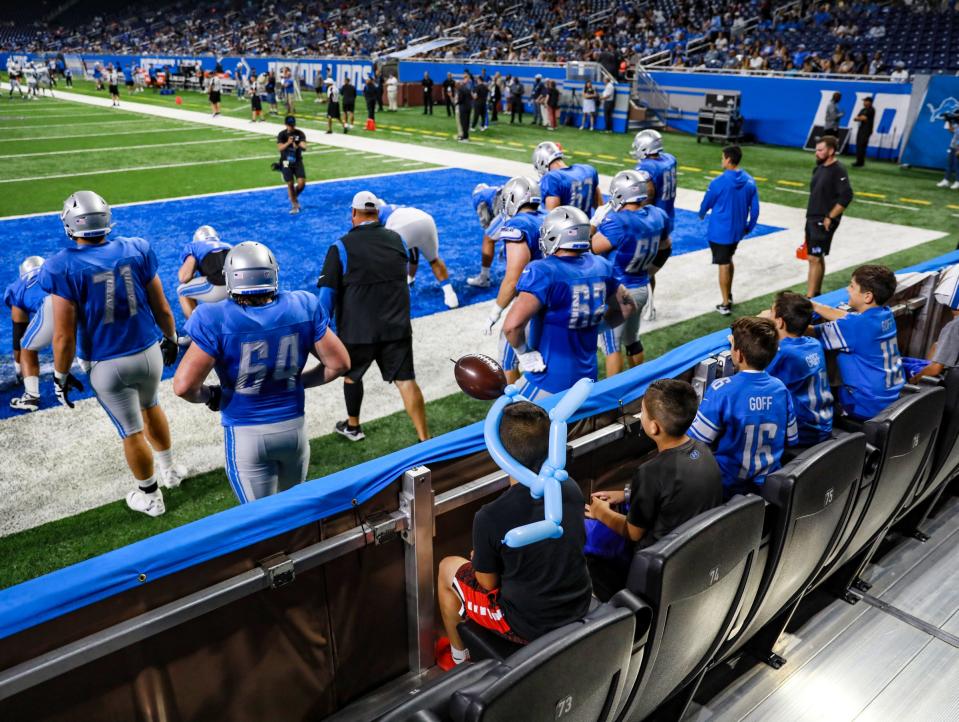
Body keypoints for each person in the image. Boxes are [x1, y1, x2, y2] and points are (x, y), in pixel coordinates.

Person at [40, 191, 185, 516]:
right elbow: (161, 306)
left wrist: (60, 377)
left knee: (131, 430)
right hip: (148, 351)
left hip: (106, 361)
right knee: (151, 406)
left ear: (70, 225)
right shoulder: (136, 249)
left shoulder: (62, 266)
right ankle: (170, 470)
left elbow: (64, 336)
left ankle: (150, 496)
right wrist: (171, 337)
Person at [174, 242, 350, 502]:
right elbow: (340, 364)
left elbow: (183, 387)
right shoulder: (303, 304)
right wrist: (298, 381)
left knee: (261, 524)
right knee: (293, 512)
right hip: (293, 430)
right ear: (272, 273)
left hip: (246, 433)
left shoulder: (213, 316)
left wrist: (212, 396)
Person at [436, 400, 592, 667]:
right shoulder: (571, 488)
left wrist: (479, 561)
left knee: (446, 568)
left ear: (501, 453)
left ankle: (459, 660)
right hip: (578, 603)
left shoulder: (490, 516)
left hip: (526, 624)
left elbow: (487, 584)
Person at [585, 379, 723, 598]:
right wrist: (626, 494)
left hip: (655, 563)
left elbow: (632, 532)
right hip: (693, 550)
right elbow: (676, 491)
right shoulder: (703, 450)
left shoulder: (650, 472)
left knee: (589, 536)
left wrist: (600, 512)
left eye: (642, 412)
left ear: (653, 426)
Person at [317, 191, 429, 442]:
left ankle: (353, 426)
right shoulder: (398, 241)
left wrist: (321, 330)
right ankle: (425, 438)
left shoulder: (340, 247)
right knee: (406, 381)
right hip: (396, 327)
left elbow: (326, 297)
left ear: (354, 214)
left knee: (351, 375)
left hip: (358, 330)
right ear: (377, 213)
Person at [502, 206, 635, 401]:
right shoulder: (601, 265)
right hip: (587, 378)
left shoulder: (543, 271)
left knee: (504, 419)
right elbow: (627, 306)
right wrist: (596, 326)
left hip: (548, 379)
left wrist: (525, 353)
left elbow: (512, 327)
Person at [688, 317, 799, 497]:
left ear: (738, 355)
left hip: (729, 489)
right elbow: (792, 438)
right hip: (768, 487)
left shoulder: (722, 390)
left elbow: (695, 443)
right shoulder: (780, 388)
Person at [590, 170, 672, 375]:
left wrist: (594, 223)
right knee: (632, 340)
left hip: (618, 291)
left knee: (611, 345)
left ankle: (613, 399)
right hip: (641, 287)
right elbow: (666, 247)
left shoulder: (617, 221)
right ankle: (637, 385)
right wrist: (651, 271)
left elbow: (589, 248)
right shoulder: (657, 214)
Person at [812, 264, 905, 420]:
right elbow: (850, 320)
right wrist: (815, 306)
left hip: (866, 408)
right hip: (892, 398)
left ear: (867, 296)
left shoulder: (855, 327)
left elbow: (806, 331)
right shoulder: (885, 314)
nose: (847, 289)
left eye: (852, 286)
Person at [482, 177, 547, 383]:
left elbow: (514, 276)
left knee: (509, 361)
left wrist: (496, 312)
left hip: (531, 301)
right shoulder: (547, 217)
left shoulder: (517, 224)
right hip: (554, 298)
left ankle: (518, 410)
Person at [762, 292, 834, 446]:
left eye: (771, 313)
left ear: (780, 322)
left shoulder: (782, 353)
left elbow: (753, 375)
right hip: (825, 425)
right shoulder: (814, 344)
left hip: (803, 434)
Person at [698, 145, 760, 315]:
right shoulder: (749, 181)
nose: (721, 160)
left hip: (720, 232)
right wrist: (749, 227)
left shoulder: (718, 182)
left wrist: (701, 213)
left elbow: (707, 202)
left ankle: (725, 303)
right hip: (737, 232)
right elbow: (755, 210)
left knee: (723, 264)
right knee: (728, 258)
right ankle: (729, 294)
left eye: (722, 157)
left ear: (728, 159)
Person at [377, 199, 459, 308]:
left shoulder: (376, 212)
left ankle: (388, 296)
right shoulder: (399, 207)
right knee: (434, 260)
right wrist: (410, 276)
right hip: (426, 220)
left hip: (400, 227)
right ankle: (450, 295)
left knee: (386, 262)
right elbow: (413, 246)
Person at [804, 135, 854, 298]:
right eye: (816, 150)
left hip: (822, 220)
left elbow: (846, 196)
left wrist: (830, 217)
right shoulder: (818, 168)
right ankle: (816, 293)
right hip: (812, 218)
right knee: (816, 257)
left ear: (831, 151)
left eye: (820, 150)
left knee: (814, 257)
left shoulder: (838, 170)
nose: (816, 153)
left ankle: (811, 298)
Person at [4, 256, 53, 412]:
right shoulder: (56, 273)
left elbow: (19, 331)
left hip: (53, 309)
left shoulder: (17, 288)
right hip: (79, 305)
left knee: (26, 346)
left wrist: (19, 369)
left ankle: (31, 396)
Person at [909, 265, 959, 382]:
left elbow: (935, 369)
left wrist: (914, 380)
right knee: (936, 346)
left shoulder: (954, 326)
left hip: (953, 389)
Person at [176, 225, 233, 320]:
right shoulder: (228, 246)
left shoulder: (194, 246)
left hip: (217, 287)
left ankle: (195, 330)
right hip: (238, 287)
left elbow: (184, 277)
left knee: (182, 291)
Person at [533, 141, 603, 214]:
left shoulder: (552, 178)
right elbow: (601, 210)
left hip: (564, 224)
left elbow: (551, 217)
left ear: (542, 162)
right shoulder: (588, 170)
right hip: (588, 223)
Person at [466, 183, 505, 289]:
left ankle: (484, 278)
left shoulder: (478, 197)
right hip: (522, 204)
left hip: (508, 208)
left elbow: (486, 223)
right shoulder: (494, 190)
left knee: (488, 239)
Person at [276, 115, 307, 215]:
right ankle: (294, 204)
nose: (291, 127)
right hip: (286, 161)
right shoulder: (282, 135)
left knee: (301, 183)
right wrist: (288, 142)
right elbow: (280, 148)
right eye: (289, 125)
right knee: (290, 183)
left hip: (297, 160)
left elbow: (304, 147)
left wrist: (298, 144)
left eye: (293, 125)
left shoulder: (299, 133)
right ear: (286, 125)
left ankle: (293, 196)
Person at [936, 118, 959, 190]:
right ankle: (946, 180)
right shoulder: (957, 124)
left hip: (958, 148)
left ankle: (957, 182)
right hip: (952, 146)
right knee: (949, 164)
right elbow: (951, 130)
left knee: (957, 165)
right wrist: (948, 121)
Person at [852, 96, 874, 167]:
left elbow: (864, 118)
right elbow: (856, 118)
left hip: (866, 130)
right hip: (861, 129)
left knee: (862, 146)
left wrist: (859, 118)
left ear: (869, 102)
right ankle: (858, 161)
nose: (864, 102)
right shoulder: (863, 109)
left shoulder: (871, 110)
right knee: (858, 145)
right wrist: (859, 118)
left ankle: (861, 162)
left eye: (865, 101)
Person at [456, 77, 472, 142]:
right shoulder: (468, 89)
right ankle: (466, 136)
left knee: (463, 123)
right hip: (469, 107)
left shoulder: (460, 90)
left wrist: (456, 103)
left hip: (463, 108)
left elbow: (460, 100)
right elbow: (471, 98)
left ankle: (465, 138)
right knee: (467, 122)